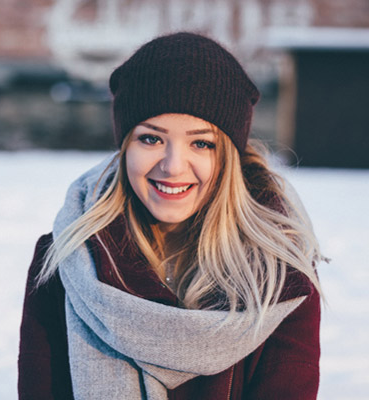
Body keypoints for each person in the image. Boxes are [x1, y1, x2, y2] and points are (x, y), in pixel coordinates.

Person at [18, 32, 323, 400]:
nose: (173, 166)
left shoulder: (280, 276)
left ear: (227, 157)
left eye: (201, 143)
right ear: (125, 145)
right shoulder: (65, 261)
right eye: (151, 139)